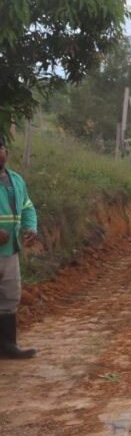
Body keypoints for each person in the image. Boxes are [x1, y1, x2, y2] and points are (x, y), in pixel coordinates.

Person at [0, 137, 38, 359]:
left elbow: (27, 207)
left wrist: (31, 227)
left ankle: (8, 347)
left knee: (9, 298)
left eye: (1, 148)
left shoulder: (15, 180)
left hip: (10, 251)